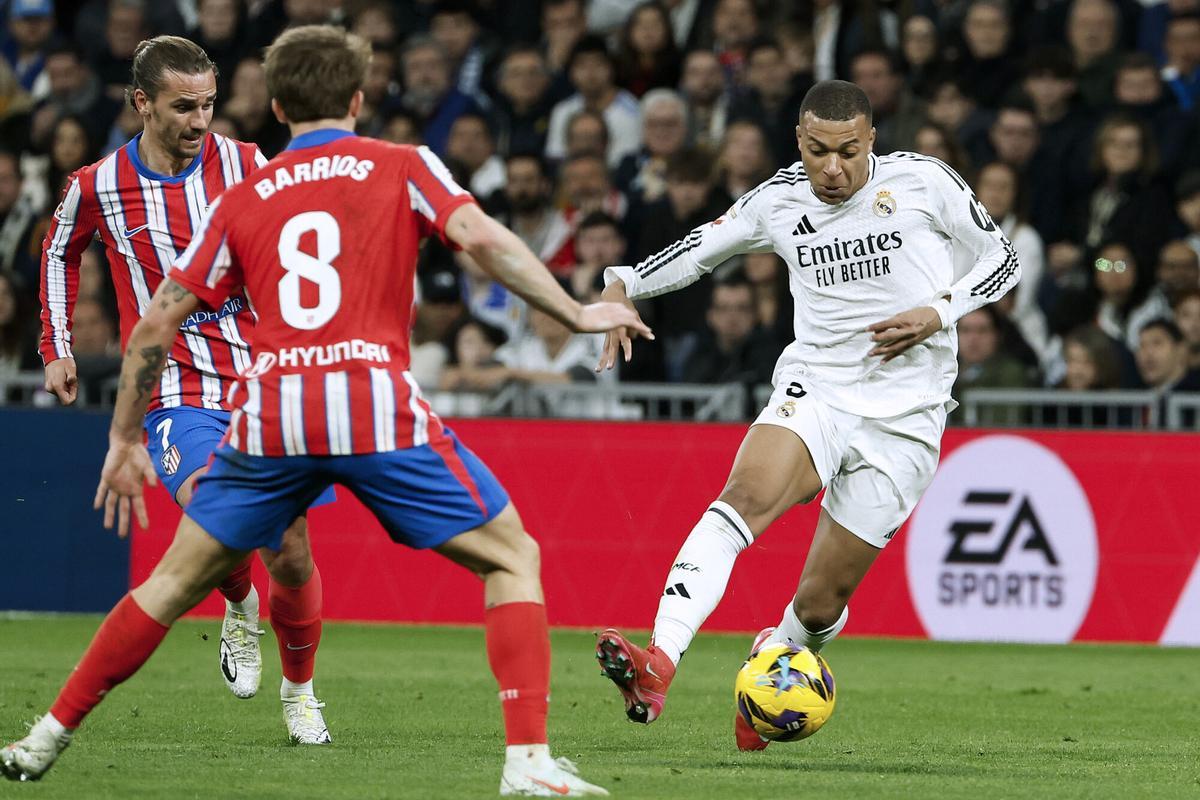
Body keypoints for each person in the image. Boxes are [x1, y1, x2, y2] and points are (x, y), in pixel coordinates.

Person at [1, 24, 647, 794]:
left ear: (273, 105)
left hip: (268, 406)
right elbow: (482, 238)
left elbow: (153, 321)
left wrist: (119, 438)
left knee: (174, 586)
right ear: (360, 98)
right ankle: (529, 763)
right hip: (366, 400)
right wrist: (576, 313)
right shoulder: (402, 164)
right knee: (513, 557)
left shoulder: (248, 190)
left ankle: (45, 738)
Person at [592, 80, 1019, 750]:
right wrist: (625, 284)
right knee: (744, 498)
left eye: (848, 151)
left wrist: (939, 311)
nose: (833, 168)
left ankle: (771, 671)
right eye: (818, 150)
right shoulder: (780, 197)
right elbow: (703, 247)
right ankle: (658, 663)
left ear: (872, 138)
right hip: (817, 387)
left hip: (907, 416)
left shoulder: (924, 182)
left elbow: (1001, 260)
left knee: (822, 605)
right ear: (800, 140)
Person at [32, 36, 336, 746]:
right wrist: (58, 348)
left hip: (263, 381)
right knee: (212, 513)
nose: (201, 121)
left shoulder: (248, 164)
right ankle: (238, 604)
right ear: (142, 102)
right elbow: (57, 251)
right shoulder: (98, 184)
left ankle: (301, 692)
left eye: (208, 104)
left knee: (289, 548)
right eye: (183, 107)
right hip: (174, 386)